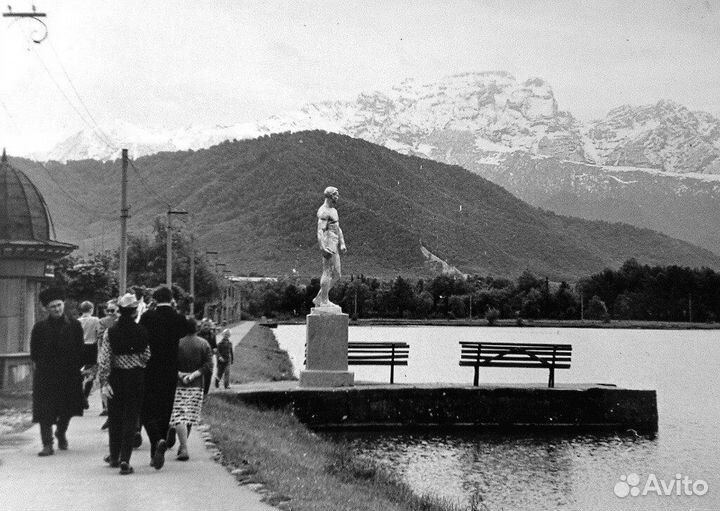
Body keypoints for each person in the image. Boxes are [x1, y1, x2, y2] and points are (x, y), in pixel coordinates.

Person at [97, 293, 151, 475]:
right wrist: (134, 361)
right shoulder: (142, 331)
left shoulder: (110, 332)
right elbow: (146, 356)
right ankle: (125, 459)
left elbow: (104, 360)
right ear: (135, 311)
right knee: (130, 418)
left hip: (116, 378)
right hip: (135, 378)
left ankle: (114, 455)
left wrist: (104, 380)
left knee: (115, 417)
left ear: (119, 310)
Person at [30, 287, 85, 457]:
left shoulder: (75, 325)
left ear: (64, 304)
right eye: (53, 306)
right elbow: (34, 352)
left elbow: (80, 349)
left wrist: (78, 368)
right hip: (46, 376)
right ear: (46, 308)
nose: (57, 309)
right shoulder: (39, 328)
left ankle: (61, 432)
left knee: (67, 409)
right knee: (44, 410)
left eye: (59, 305)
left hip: (69, 375)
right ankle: (47, 444)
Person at [139, 285, 186, 469]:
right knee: (165, 410)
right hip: (170, 370)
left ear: (155, 299)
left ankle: (157, 440)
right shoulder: (178, 319)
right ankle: (157, 450)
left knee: (147, 409)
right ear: (172, 298)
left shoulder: (147, 317)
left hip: (150, 369)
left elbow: (141, 337)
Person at [169, 317, 213, 461]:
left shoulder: (177, 343)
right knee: (189, 416)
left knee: (179, 415)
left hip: (179, 384)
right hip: (196, 384)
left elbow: (170, 363)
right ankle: (183, 445)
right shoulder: (204, 344)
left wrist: (180, 374)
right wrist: (194, 375)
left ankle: (183, 447)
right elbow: (208, 365)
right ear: (197, 328)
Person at [312, 186, 347, 308]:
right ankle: (324, 301)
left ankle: (319, 298)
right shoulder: (324, 211)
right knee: (327, 271)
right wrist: (322, 246)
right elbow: (320, 231)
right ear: (331, 196)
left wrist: (342, 242)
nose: (338, 197)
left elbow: (337, 228)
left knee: (337, 274)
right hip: (328, 242)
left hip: (335, 242)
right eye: (336, 195)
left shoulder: (334, 211)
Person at [97, 299, 119, 424]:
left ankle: (109, 411)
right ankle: (108, 410)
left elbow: (100, 337)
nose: (110, 313)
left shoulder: (103, 322)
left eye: (113, 310)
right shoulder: (106, 322)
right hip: (108, 357)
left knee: (107, 384)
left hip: (110, 358)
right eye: (108, 310)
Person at [78, 301, 102, 410]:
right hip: (92, 348)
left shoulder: (77, 322)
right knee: (91, 374)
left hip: (80, 348)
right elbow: (99, 333)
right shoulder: (96, 320)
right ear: (91, 309)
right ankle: (85, 396)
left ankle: (81, 396)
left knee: (79, 373)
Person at [197, 320, 217, 395]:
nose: (206, 327)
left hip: (209, 358)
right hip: (200, 358)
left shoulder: (212, 335)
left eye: (208, 325)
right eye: (204, 325)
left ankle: (205, 393)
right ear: (201, 326)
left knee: (208, 375)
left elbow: (215, 346)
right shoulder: (198, 335)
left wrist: (215, 350)